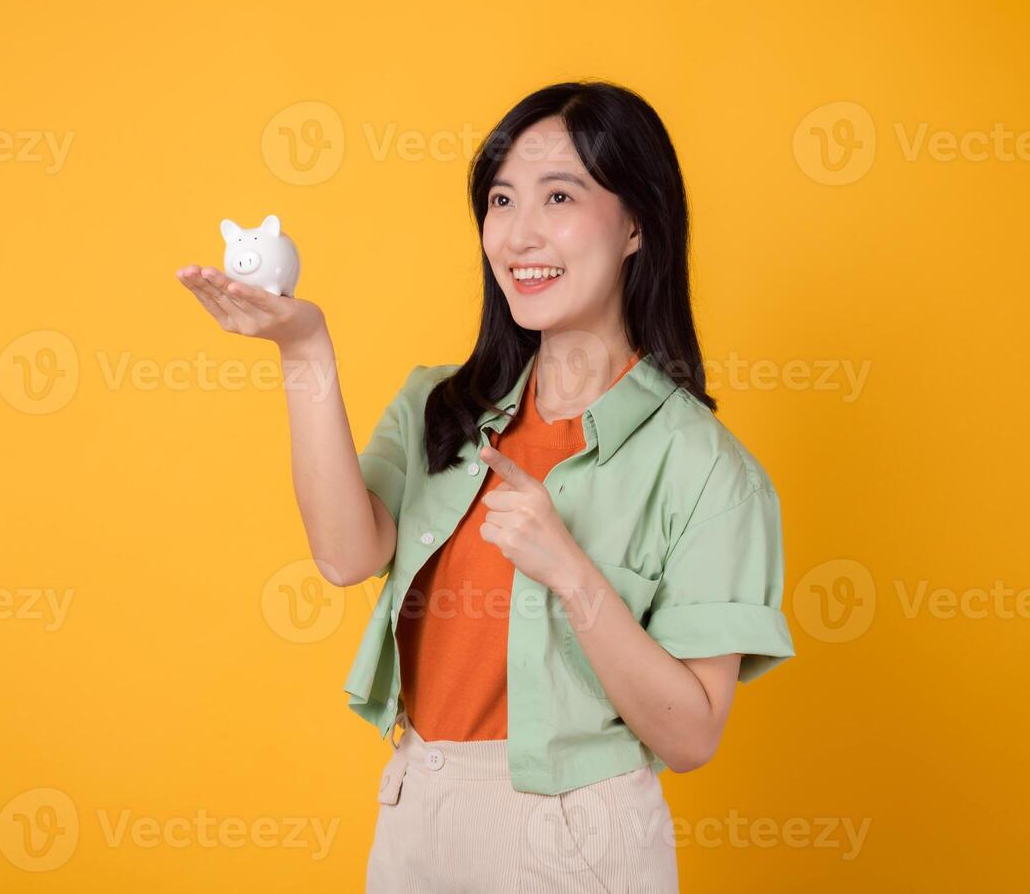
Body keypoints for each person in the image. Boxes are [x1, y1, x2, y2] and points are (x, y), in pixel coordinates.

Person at [175, 80, 796, 893]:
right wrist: (304, 350)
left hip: (576, 833)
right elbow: (342, 554)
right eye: (501, 199)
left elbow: (691, 736)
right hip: (416, 807)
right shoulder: (442, 408)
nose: (518, 233)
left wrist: (568, 570)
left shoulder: (709, 470)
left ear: (638, 223)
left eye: (559, 195)